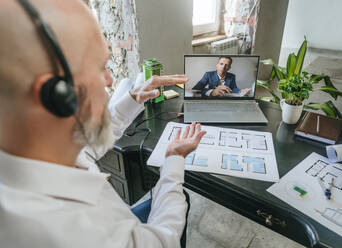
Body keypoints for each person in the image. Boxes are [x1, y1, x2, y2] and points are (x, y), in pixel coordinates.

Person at [0, 0, 206, 248]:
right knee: (177, 196)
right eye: (100, 68)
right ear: (57, 93)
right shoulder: (78, 230)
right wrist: (173, 159)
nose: (109, 80)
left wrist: (132, 99)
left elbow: (84, 147)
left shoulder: (30, 150)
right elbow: (164, 241)